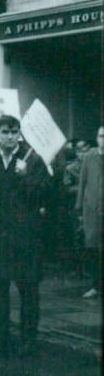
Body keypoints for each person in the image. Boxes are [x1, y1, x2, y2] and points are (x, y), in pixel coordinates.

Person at [0, 115, 49, 355]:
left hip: (24, 236)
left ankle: (28, 338)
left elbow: (42, 194)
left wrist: (25, 176)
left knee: (27, 287)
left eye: (14, 132)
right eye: (5, 132)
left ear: (19, 133)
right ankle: (0, 335)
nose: (10, 137)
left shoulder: (32, 159)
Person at [77, 127, 103, 298]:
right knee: (92, 247)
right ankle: (96, 285)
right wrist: (79, 207)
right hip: (92, 210)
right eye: (101, 136)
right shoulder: (89, 157)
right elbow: (82, 182)